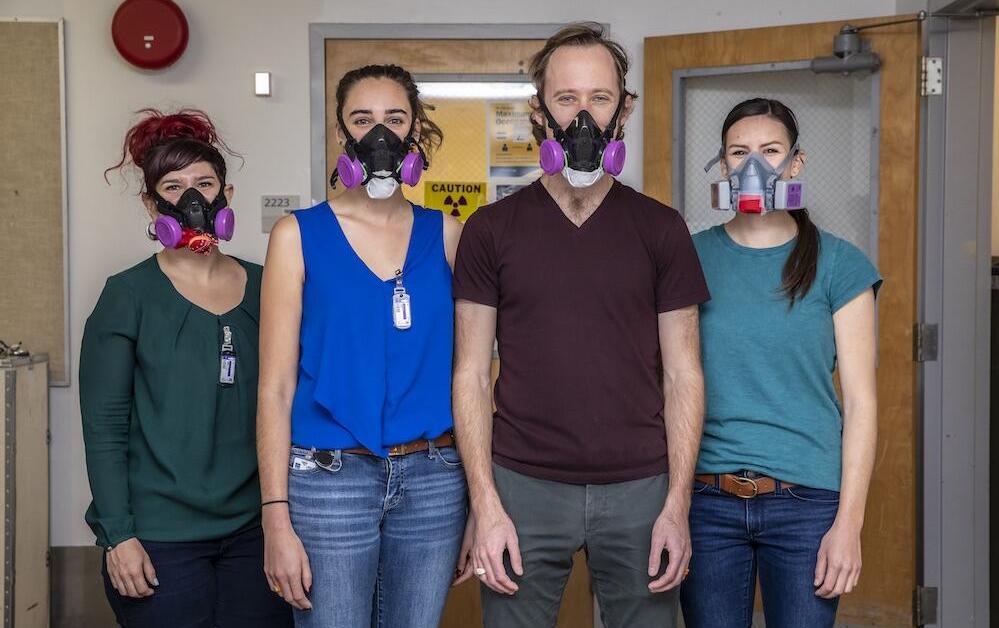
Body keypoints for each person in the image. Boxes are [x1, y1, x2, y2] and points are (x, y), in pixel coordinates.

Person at [452, 23, 710, 628]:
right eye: (567, 99)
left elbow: (684, 373)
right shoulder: (490, 230)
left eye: (600, 98)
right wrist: (484, 502)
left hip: (641, 488)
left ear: (624, 108)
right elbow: (469, 373)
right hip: (522, 486)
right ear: (540, 113)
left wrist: (677, 503)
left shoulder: (661, 229)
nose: (583, 116)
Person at [256, 64, 470, 628]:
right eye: (363, 119)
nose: (380, 135)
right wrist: (274, 515)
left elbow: (470, 373)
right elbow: (275, 388)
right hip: (328, 480)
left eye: (395, 119)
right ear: (341, 134)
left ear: (415, 132)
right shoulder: (296, 235)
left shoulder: (447, 235)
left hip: (433, 476)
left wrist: (481, 500)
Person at [81, 109, 292, 627]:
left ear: (228, 195)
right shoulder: (127, 295)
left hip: (255, 530)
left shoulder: (271, 285)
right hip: (159, 538)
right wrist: (118, 535)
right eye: (173, 186)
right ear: (152, 203)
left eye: (205, 182)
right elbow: (105, 427)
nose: (192, 198)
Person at [679, 97, 881, 628]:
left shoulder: (840, 264)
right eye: (738, 152)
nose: (753, 167)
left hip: (807, 505)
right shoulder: (688, 258)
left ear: (796, 163)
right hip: (707, 501)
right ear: (722, 166)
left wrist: (849, 525)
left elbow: (861, 402)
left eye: (770, 151)